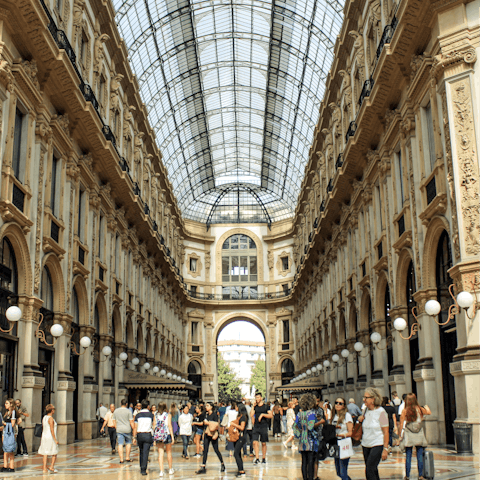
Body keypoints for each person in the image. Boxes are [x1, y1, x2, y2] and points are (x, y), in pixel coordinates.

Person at [358, 387, 389, 480]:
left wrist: (386, 449)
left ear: (373, 399)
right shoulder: (365, 411)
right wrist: (360, 420)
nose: (364, 399)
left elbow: (386, 431)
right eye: (364, 397)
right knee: (373, 469)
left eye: (366, 397)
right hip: (365, 444)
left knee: (369, 469)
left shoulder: (381, 412)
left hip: (377, 443)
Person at [399, 393, 431, 480]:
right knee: (419, 455)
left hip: (409, 433)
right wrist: (426, 406)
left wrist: (399, 435)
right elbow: (429, 412)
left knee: (408, 455)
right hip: (419, 432)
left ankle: (407, 475)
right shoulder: (420, 409)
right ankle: (420, 475)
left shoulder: (405, 410)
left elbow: (401, 423)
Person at [293, 393, 319, 480]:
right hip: (310, 440)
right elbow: (311, 427)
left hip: (302, 440)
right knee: (311, 461)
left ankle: (304, 478)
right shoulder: (311, 414)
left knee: (304, 461)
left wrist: (299, 434)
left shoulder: (299, 414)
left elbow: (295, 426)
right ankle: (310, 478)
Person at [196, 401, 225, 474]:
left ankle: (222, 464)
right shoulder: (206, 414)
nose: (206, 407)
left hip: (213, 434)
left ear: (211, 407)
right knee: (205, 450)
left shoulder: (214, 415)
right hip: (206, 433)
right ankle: (203, 466)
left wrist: (208, 423)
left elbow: (216, 425)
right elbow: (203, 423)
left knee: (216, 450)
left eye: (208, 405)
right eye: (206, 406)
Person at [332, 397, 353, 480]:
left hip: (344, 443)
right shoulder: (334, 416)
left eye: (340, 403)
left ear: (344, 406)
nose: (338, 404)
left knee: (343, 471)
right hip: (335, 444)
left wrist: (340, 435)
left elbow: (350, 432)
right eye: (336, 402)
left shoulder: (347, 416)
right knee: (338, 472)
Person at [133, 399, 155, 476]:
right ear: (148, 407)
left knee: (141, 451)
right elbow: (154, 426)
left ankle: (141, 467)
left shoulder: (137, 415)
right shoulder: (151, 415)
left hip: (140, 435)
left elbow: (135, 427)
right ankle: (143, 469)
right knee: (146, 452)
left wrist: (134, 437)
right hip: (147, 434)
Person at [251, 392, 272, 464]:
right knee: (255, 442)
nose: (256, 399)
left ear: (261, 398)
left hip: (263, 426)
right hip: (256, 426)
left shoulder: (266, 406)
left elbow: (271, 415)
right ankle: (257, 457)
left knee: (263, 443)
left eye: (258, 397)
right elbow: (251, 414)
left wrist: (263, 415)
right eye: (256, 398)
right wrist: (253, 406)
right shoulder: (255, 407)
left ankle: (263, 457)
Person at [155, 403, 175, 477]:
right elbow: (170, 425)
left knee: (160, 453)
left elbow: (154, 426)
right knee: (169, 452)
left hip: (159, 435)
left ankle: (161, 471)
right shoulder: (168, 415)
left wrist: (154, 439)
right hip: (167, 434)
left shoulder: (156, 415)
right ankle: (170, 469)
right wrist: (172, 437)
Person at [38, 404, 59, 474]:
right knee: (54, 452)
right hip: (50, 437)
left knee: (45, 453)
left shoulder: (44, 417)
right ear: (52, 410)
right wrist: (55, 439)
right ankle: (51, 466)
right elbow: (52, 430)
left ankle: (44, 468)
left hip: (44, 436)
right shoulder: (51, 419)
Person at [113, 399, 134, 463]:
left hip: (119, 429)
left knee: (120, 444)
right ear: (126, 404)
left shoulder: (116, 411)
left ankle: (121, 459)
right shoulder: (128, 411)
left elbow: (114, 420)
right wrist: (134, 429)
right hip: (127, 429)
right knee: (128, 443)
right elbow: (131, 421)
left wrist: (116, 427)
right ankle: (127, 457)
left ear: (120, 403)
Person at [231, 403, 248, 477]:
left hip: (241, 437)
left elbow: (242, 427)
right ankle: (240, 469)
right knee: (238, 454)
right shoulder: (239, 416)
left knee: (236, 453)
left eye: (236, 406)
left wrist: (233, 424)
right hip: (237, 437)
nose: (235, 407)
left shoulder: (243, 417)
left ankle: (241, 471)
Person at [312, 395, 326, 480]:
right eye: (315, 401)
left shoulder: (321, 410)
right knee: (311, 458)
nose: (317, 403)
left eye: (318, 401)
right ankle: (310, 474)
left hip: (319, 436)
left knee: (317, 457)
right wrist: (319, 422)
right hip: (311, 437)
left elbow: (324, 421)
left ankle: (315, 475)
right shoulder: (309, 411)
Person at [2, 399, 17, 473]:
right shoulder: (6, 412)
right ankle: (5, 466)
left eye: (7, 403)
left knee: (10, 449)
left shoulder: (13, 412)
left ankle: (11, 466)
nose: (5, 404)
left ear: (11, 404)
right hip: (5, 432)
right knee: (5, 449)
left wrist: (4, 423)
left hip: (10, 433)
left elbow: (13, 424)